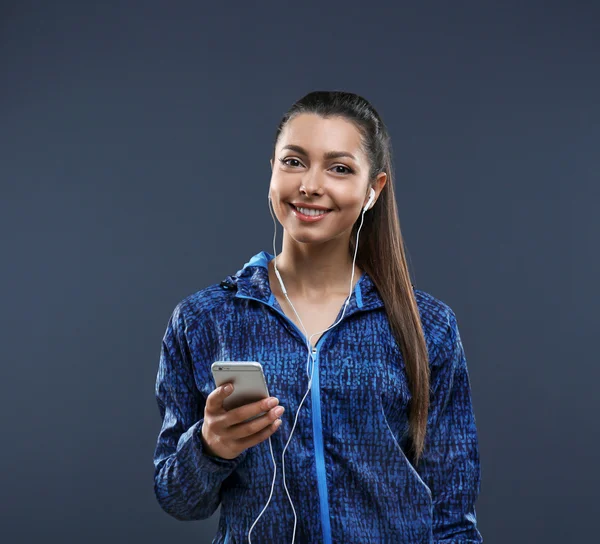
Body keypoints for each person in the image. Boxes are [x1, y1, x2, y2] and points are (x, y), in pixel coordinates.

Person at [153, 90, 483, 543]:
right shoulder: (203, 319)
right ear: (272, 168)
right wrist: (211, 447)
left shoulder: (429, 325)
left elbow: (453, 516)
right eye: (293, 161)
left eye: (339, 168)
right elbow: (177, 497)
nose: (310, 184)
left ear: (373, 190)